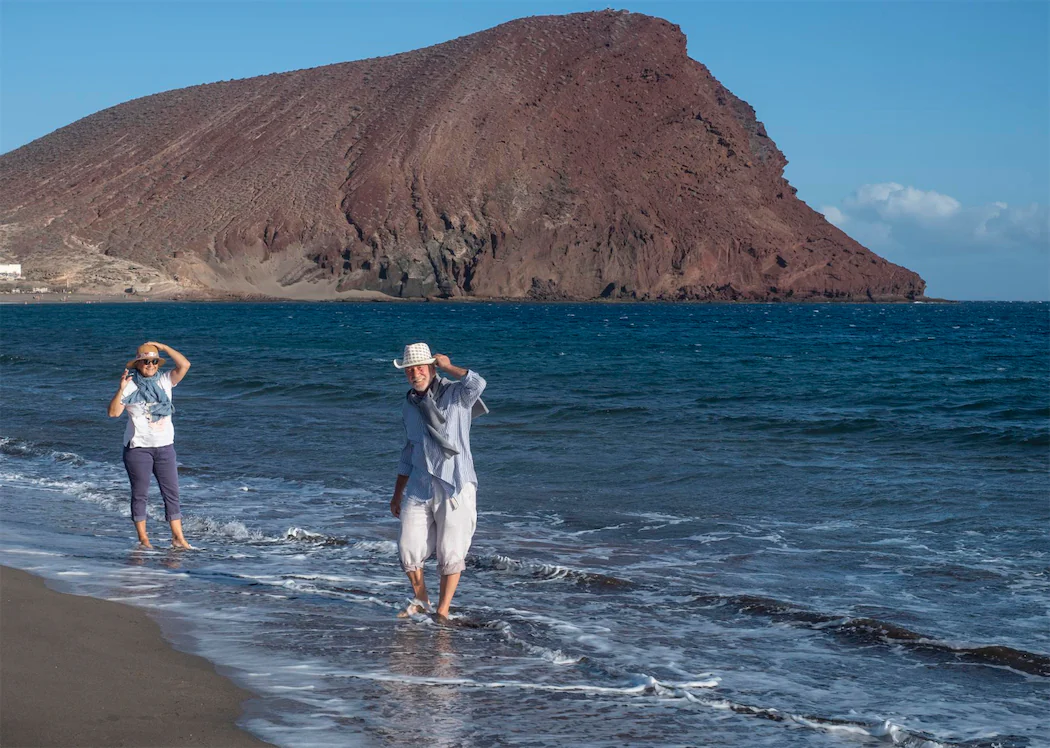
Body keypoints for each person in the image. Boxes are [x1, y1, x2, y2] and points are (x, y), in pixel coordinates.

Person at [390, 342, 487, 622]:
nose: (415, 373)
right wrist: (397, 493)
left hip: (455, 484)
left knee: (450, 551)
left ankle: (442, 611)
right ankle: (421, 599)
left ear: (432, 367)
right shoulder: (409, 404)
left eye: (420, 367)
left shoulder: (457, 395)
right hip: (419, 485)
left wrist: (449, 367)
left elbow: (478, 383)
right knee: (408, 547)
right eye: (410, 369)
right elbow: (408, 449)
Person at [107, 341, 192, 549]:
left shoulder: (165, 380)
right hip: (138, 448)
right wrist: (120, 389)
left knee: (172, 494)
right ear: (138, 363)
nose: (151, 364)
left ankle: (178, 538)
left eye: (154, 361)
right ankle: (144, 539)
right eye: (146, 361)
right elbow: (113, 413)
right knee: (140, 494)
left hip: (165, 447)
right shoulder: (130, 386)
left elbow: (185, 365)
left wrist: (163, 347)